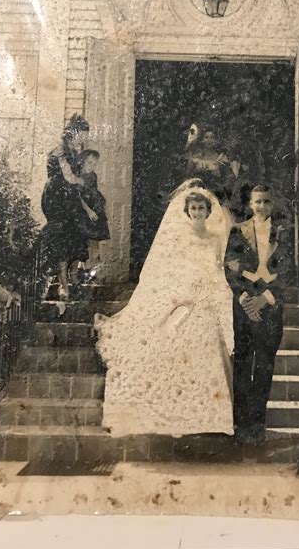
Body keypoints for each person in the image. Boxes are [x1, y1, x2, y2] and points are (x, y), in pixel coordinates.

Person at [94, 182, 234, 436]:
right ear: (187, 211)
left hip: (206, 292)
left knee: (207, 337)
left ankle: (205, 413)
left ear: (208, 210)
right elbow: (173, 268)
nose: (197, 213)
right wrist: (184, 291)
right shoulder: (179, 237)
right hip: (184, 292)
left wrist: (211, 288)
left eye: (201, 208)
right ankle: (171, 410)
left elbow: (217, 267)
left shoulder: (215, 238)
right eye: (193, 208)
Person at [224, 185, 291, 445]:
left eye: (266, 201)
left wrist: (265, 299)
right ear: (250, 204)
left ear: (272, 204)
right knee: (242, 365)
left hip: (270, 305)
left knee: (264, 366)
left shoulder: (283, 233)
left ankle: (257, 425)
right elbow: (230, 268)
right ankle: (241, 424)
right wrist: (244, 298)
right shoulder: (237, 231)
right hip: (243, 306)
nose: (261, 206)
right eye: (257, 202)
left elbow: (289, 272)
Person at [40, 114, 91, 300]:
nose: (84, 139)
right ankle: (63, 286)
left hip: (70, 198)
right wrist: (83, 182)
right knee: (62, 240)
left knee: (78, 236)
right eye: (82, 134)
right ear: (73, 132)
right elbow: (68, 177)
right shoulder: (60, 151)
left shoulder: (75, 152)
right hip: (57, 199)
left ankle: (73, 277)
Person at [76, 149, 110, 273]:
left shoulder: (93, 175)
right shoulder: (77, 176)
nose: (92, 166)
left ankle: (95, 269)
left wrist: (101, 203)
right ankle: (82, 267)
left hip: (96, 208)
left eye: (95, 164)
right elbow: (77, 196)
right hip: (85, 209)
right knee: (85, 238)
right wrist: (89, 211)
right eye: (90, 163)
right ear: (82, 161)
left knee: (98, 238)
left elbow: (93, 191)